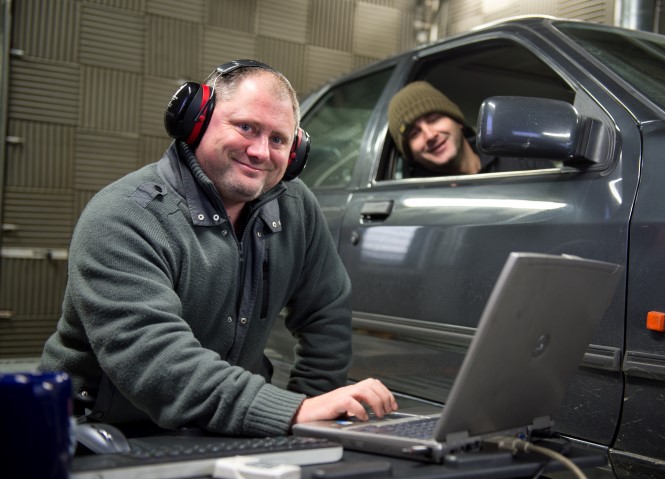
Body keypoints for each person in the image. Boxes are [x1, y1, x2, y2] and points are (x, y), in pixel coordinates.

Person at [40, 59, 397, 437]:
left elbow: (327, 312)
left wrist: (313, 409)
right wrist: (291, 412)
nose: (261, 152)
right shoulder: (122, 215)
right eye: (246, 127)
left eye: (278, 139)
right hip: (103, 430)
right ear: (196, 119)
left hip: (227, 429)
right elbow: (154, 358)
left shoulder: (295, 206)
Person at [387, 81, 547, 177]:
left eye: (434, 119)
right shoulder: (419, 201)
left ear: (458, 122)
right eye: (414, 133)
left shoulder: (520, 159)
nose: (430, 135)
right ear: (410, 154)